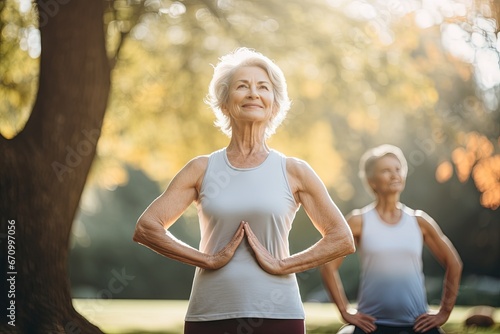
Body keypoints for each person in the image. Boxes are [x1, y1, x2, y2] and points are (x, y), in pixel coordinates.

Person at [133, 47, 356, 334]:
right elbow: (147, 228)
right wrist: (206, 259)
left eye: (263, 87)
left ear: (274, 105)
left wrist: (283, 264)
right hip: (210, 314)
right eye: (242, 86)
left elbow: (341, 239)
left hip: (279, 314)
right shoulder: (201, 169)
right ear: (225, 103)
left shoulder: (294, 171)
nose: (253, 93)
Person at [320, 144, 463, 334]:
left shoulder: (419, 221)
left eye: (398, 169)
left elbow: (454, 263)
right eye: (386, 171)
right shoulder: (358, 221)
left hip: (417, 325)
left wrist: (444, 312)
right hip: (370, 326)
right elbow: (328, 266)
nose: (395, 175)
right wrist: (345, 311)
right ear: (372, 181)